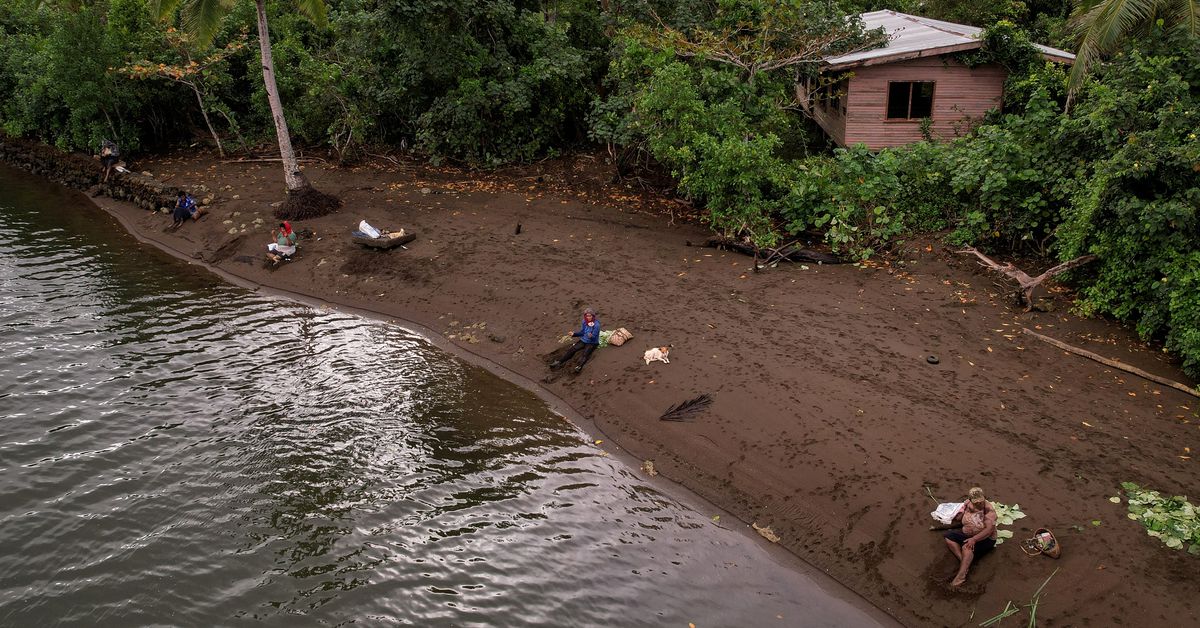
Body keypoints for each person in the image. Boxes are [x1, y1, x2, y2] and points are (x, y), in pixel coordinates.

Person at [943, 486, 998, 587]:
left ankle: (961, 577)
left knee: (966, 547)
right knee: (948, 537)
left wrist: (974, 539)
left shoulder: (989, 511)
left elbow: (988, 530)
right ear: (971, 500)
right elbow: (960, 517)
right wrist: (959, 513)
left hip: (985, 538)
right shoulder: (968, 503)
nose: (979, 503)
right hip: (967, 534)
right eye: (976, 502)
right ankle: (963, 561)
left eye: (981, 501)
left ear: (983, 497)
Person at [551, 308, 600, 374]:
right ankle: (559, 361)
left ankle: (579, 367)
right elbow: (582, 332)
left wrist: (591, 336)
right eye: (587, 316)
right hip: (584, 340)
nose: (588, 317)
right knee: (572, 349)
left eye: (590, 316)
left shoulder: (596, 325)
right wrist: (574, 334)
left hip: (592, 342)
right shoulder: (584, 322)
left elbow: (594, 337)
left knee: (585, 354)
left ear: (593, 316)